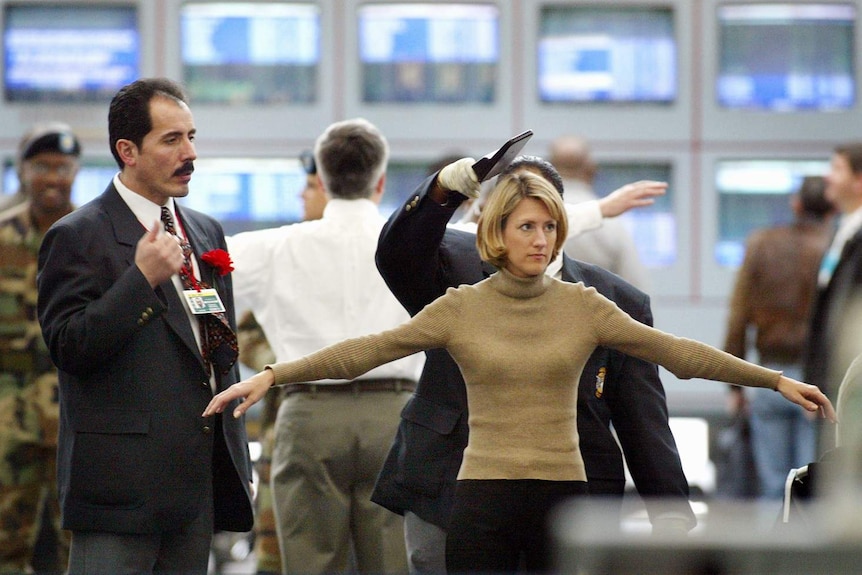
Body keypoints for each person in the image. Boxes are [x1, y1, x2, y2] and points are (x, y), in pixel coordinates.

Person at [205, 167, 834, 574]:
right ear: (494, 234)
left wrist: (773, 379)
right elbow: (370, 349)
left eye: (550, 226)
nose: (541, 239)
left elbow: (677, 355)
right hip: (477, 496)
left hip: (568, 493)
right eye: (526, 226)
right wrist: (273, 375)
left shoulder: (593, 306)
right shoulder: (460, 304)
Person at [371, 155, 691, 574]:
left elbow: (642, 416)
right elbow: (399, 252)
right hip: (449, 492)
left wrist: (669, 515)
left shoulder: (615, 301)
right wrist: (443, 188)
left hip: (570, 504)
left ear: (561, 219)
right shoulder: (454, 271)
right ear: (490, 218)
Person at [36, 77, 254, 574]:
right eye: (172, 140)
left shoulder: (204, 231)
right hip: (120, 492)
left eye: (192, 136)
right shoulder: (77, 235)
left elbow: (219, 350)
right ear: (127, 150)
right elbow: (70, 348)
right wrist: (141, 280)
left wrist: (235, 460)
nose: (190, 153)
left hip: (194, 486)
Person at [226, 118, 422, 575]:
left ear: (321, 179)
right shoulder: (421, 244)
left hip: (309, 415)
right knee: (395, 565)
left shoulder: (271, 248)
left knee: (312, 566)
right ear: (381, 181)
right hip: (395, 418)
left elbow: (190, 276)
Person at [0, 122, 80, 573]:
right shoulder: (1, 238)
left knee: (81, 539)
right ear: (23, 171)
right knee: (5, 540)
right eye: (42, 166)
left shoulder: (95, 238)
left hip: (78, 415)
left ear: (76, 171)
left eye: (63, 167)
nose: (52, 177)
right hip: (8, 414)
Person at [723, 175, 835, 499]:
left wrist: (735, 383)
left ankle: (768, 548)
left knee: (773, 485)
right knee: (811, 485)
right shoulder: (834, 249)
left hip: (770, 377)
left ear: (795, 205)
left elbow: (738, 315)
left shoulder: (761, 244)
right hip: (819, 382)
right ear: (831, 210)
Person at [805, 143, 862, 451]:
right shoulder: (843, 231)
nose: (828, 177)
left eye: (837, 169)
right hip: (832, 380)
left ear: (859, 180)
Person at [549, 135, 650, 290]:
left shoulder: (534, 217)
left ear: (547, 169)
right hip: (600, 312)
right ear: (592, 170)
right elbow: (635, 285)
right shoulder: (611, 221)